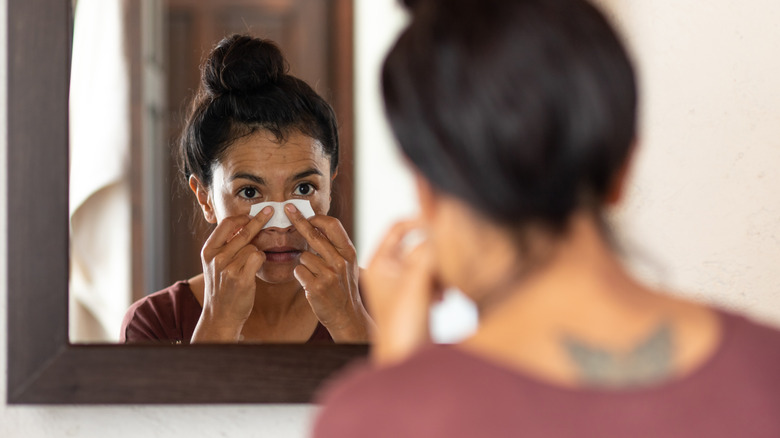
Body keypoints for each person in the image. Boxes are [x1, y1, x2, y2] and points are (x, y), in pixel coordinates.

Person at [312, 0, 780, 436]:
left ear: (429, 192)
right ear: (621, 168)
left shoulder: (380, 417)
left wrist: (398, 388)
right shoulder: (767, 367)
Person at [121, 34, 371, 344]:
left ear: (329, 186)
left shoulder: (393, 302)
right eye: (250, 192)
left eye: (304, 188)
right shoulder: (155, 322)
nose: (280, 225)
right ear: (205, 197)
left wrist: (350, 322)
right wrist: (218, 324)